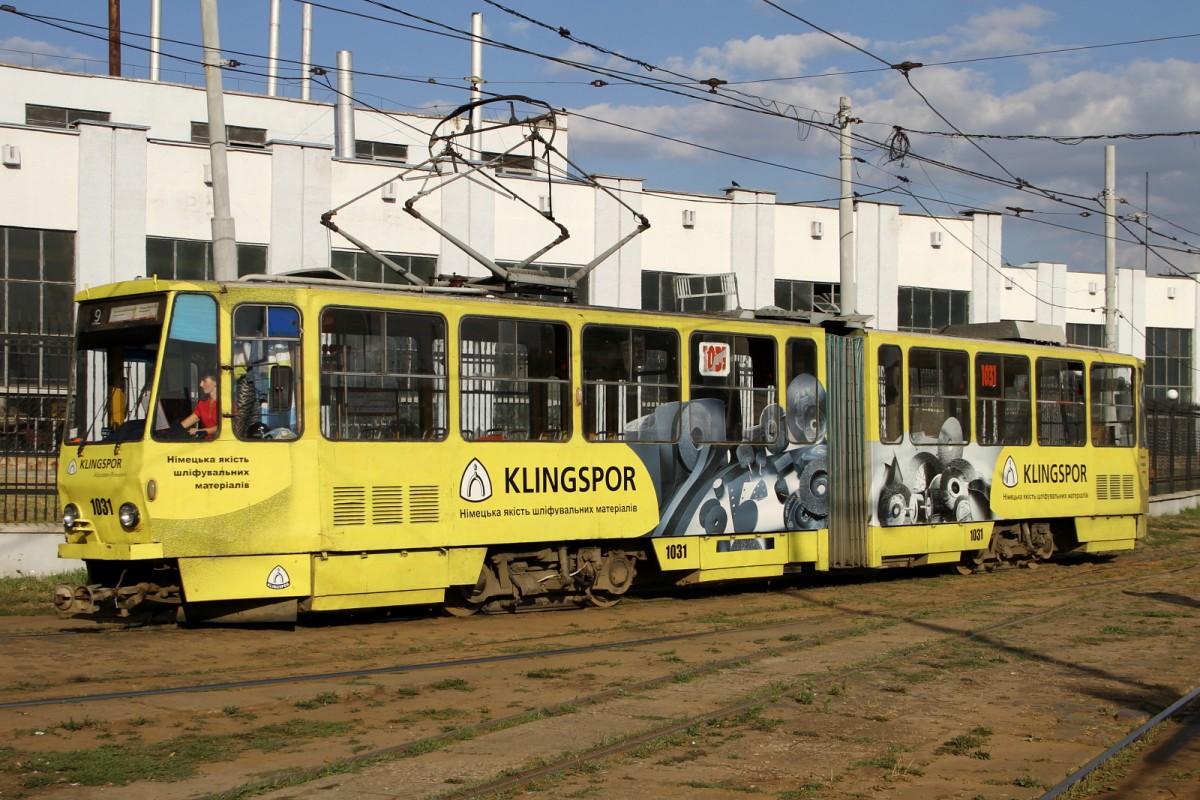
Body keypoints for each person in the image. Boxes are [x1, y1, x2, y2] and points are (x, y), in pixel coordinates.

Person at [180, 371, 219, 438]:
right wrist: (174, 431)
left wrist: (200, 431)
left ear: (215, 382)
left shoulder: (226, 403)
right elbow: (189, 421)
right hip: (208, 442)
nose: (201, 384)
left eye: (204, 381)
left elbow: (224, 427)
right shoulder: (202, 404)